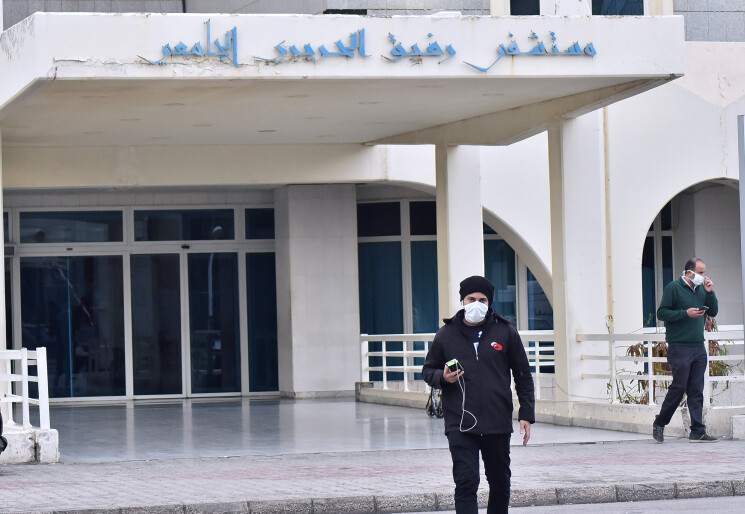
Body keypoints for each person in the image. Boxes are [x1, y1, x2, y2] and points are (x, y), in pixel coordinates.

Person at [422, 275, 535, 514]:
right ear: (462, 301)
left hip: (497, 421)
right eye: (471, 299)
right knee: (466, 482)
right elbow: (428, 370)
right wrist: (443, 377)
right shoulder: (446, 335)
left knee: (500, 483)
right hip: (460, 423)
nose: (476, 304)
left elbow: (523, 374)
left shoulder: (505, 331)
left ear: (489, 302)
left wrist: (526, 413)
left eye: (482, 300)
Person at [653, 257, 719, 443]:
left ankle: (697, 431)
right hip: (679, 346)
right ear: (690, 272)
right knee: (679, 387)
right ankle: (659, 422)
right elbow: (662, 313)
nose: (704, 276)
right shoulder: (673, 288)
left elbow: (713, 312)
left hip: (698, 346)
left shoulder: (702, 289)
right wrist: (685, 313)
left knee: (696, 389)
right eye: (701, 272)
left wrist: (710, 292)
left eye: (704, 272)